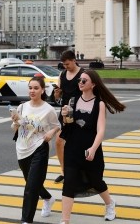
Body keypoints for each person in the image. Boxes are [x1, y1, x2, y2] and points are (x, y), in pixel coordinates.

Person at [59, 69, 126, 223]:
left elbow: (101, 130)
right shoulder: (73, 100)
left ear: (93, 84)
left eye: (84, 81)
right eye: (79, 80)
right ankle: (65, 220)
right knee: (69, 182)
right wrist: (64, 117)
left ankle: (110, 204)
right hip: (72, 148)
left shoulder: (99, 103)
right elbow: (68, 125)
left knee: (96, 181)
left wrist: (93, 149)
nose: (80, 83)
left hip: (90, 148)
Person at [10, 76, 61, 224]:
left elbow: (57, 125)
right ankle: (48, 198)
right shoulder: (22, 107)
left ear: (42, 90)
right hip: (22, 149)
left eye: (36, 88)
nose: (32, 91)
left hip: (40, 148)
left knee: (31, 187)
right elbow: (15, 128)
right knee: (33, 182)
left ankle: (26, 220)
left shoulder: (48, 109)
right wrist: (14, 121)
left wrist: (51, 133)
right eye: (30, 88)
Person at [52, 50, 84, 184]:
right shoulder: (62, 74)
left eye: (67, 64)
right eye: (64, 64)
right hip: (65, 112)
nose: (66, 67)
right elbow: (57, 97)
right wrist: (57, 93)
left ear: (74, 60)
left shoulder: (83, 74)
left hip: (79, 113)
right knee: (59, 141)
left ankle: (79, 171)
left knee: (77, 144)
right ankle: (64, 171)